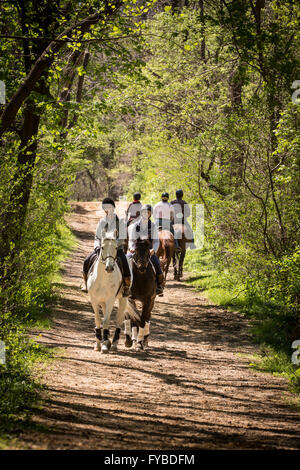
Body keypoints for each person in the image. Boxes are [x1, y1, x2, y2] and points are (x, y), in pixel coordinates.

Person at [81, 197, 131, 295]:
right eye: (106, 207)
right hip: (102, 249)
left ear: (113, 207)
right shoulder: (101, 222)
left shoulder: (120, 221)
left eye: (110, 207)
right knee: (87, 260)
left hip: (116, 249)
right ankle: (86, 284)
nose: (108, 209)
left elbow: (122, 238)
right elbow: (97, 237)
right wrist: (97, 246)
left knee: (125, 264)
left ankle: (126, 286)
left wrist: (113, 245)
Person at [128, 204, 165, 295]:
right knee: (126, 260)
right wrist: (131, 248)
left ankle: (159, 286)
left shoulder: (153, 226)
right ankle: (125, 285)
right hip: (136, 250)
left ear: (150, 214)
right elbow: (131, 240)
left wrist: (154, 250)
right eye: (144, 212)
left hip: (148, 251)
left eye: (148, 213)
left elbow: (156, 241)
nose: (146, 214)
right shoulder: (135, 226)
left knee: (156, 263)